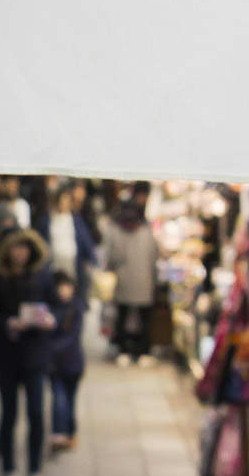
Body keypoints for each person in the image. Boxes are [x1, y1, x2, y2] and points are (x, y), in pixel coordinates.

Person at [0, 224, 66, 476]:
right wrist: (7, 323)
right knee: (8, 412)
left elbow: (60, 307)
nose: (20, 253)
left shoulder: (43, 278)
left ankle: (35, 471)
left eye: (25, 247)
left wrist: (52, 320)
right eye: (16, 247)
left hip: (36, 355)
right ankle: (9, 467)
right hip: (6, 355)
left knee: (37, 413)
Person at [42, 179, 97, 451]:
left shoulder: (75, 222)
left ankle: (66, 430)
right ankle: (61, 430)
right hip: (53, 287)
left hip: (72, 287)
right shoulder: (46, 222)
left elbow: (87, 249)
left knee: (70, 331)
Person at [107, 186, 160, 364]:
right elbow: (154, 256)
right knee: (144, 319)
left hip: (124, 281)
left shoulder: (116, 229)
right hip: (144, 280)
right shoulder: (146, 230)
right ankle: (143, 352)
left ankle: (123, 350)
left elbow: (112, 257)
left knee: (122, 317)